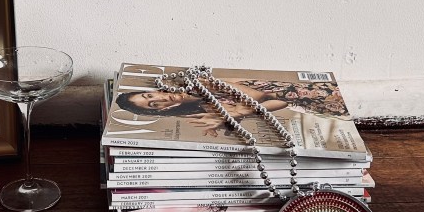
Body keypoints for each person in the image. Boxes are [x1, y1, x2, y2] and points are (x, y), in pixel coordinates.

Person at [114, 78, 350, 137]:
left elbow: (262, 94)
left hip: (322, 93)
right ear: (161, 111)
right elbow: (281, 103)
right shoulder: (205, 110)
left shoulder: (200, 82)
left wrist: (238, 111)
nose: (159, 100)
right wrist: (239, 113)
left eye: (149, 96)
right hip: (317, 109)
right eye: (152, 106)